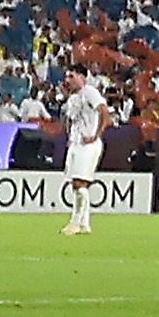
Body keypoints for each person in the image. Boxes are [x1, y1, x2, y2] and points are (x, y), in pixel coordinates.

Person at [59, 69, 108, 236]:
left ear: (82, 77)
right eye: (67, 76)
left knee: (80, 183)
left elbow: (104, 111)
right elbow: (70, 119)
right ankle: (85, 224)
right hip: (76, 143)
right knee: (76, 185)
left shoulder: (90, 92)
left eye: (71, 76)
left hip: (88, 144)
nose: (68, 79)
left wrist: (97, 134)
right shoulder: (73, 98)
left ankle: (75, 223)